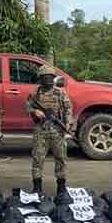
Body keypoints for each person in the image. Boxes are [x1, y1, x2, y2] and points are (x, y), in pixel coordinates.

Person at [24, 64, 73, 195]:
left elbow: (68, 108)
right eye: (45, 77)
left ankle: (61, 187)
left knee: (61, 158)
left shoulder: (60, 92)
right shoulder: (34, 93)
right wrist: (35, 111)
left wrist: (68, 123)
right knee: (37, 159)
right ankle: (37, 187)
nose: (48, 80)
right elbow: (27, 107)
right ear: (40, 78)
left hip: (57, 130)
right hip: (41, 130)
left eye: (50, 77)